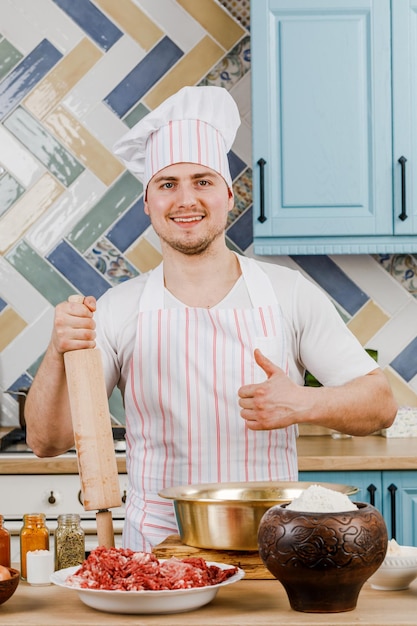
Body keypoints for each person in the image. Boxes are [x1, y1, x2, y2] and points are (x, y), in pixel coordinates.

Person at [25, 85, 397, 552]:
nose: (186, 200)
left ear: (228, 194)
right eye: (167, 184)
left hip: (271, 554)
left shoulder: (289, 294)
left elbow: (380, 404)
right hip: (156, 558)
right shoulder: (119, 310)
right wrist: (56, 351)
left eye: (202, 181)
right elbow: (47, 441)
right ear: (147, 202)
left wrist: (302, 404)